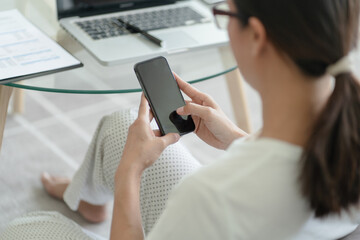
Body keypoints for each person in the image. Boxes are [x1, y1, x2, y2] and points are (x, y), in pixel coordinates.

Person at [1, 0, 360, 239]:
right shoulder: (345, 134)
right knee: (120, 124)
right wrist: (237, 138)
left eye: (226, 14)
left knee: (26, 229)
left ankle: (94, 196)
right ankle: (88, 198)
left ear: (257, 37)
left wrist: (129, 174)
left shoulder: (211, 198)